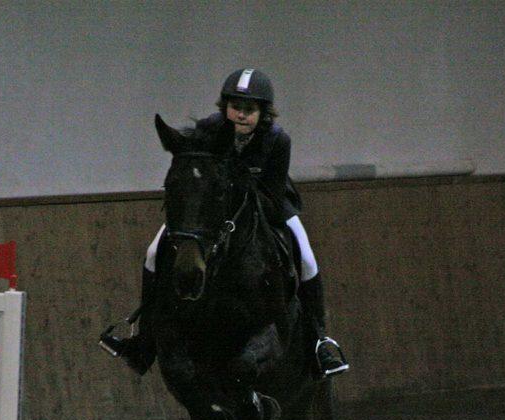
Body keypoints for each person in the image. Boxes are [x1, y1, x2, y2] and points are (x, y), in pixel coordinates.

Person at [101, 68, 348, 378]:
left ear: (263, 113)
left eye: (249, 109)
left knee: (307, 257)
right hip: (212, 209)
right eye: (235, 107)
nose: (241, 115)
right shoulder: (209, 129)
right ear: (225, 107)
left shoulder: (277, 140)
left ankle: (319, 339)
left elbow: (272, 193)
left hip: (267, 203)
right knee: (153, 253)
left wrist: (238, 196)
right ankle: (144, 339)